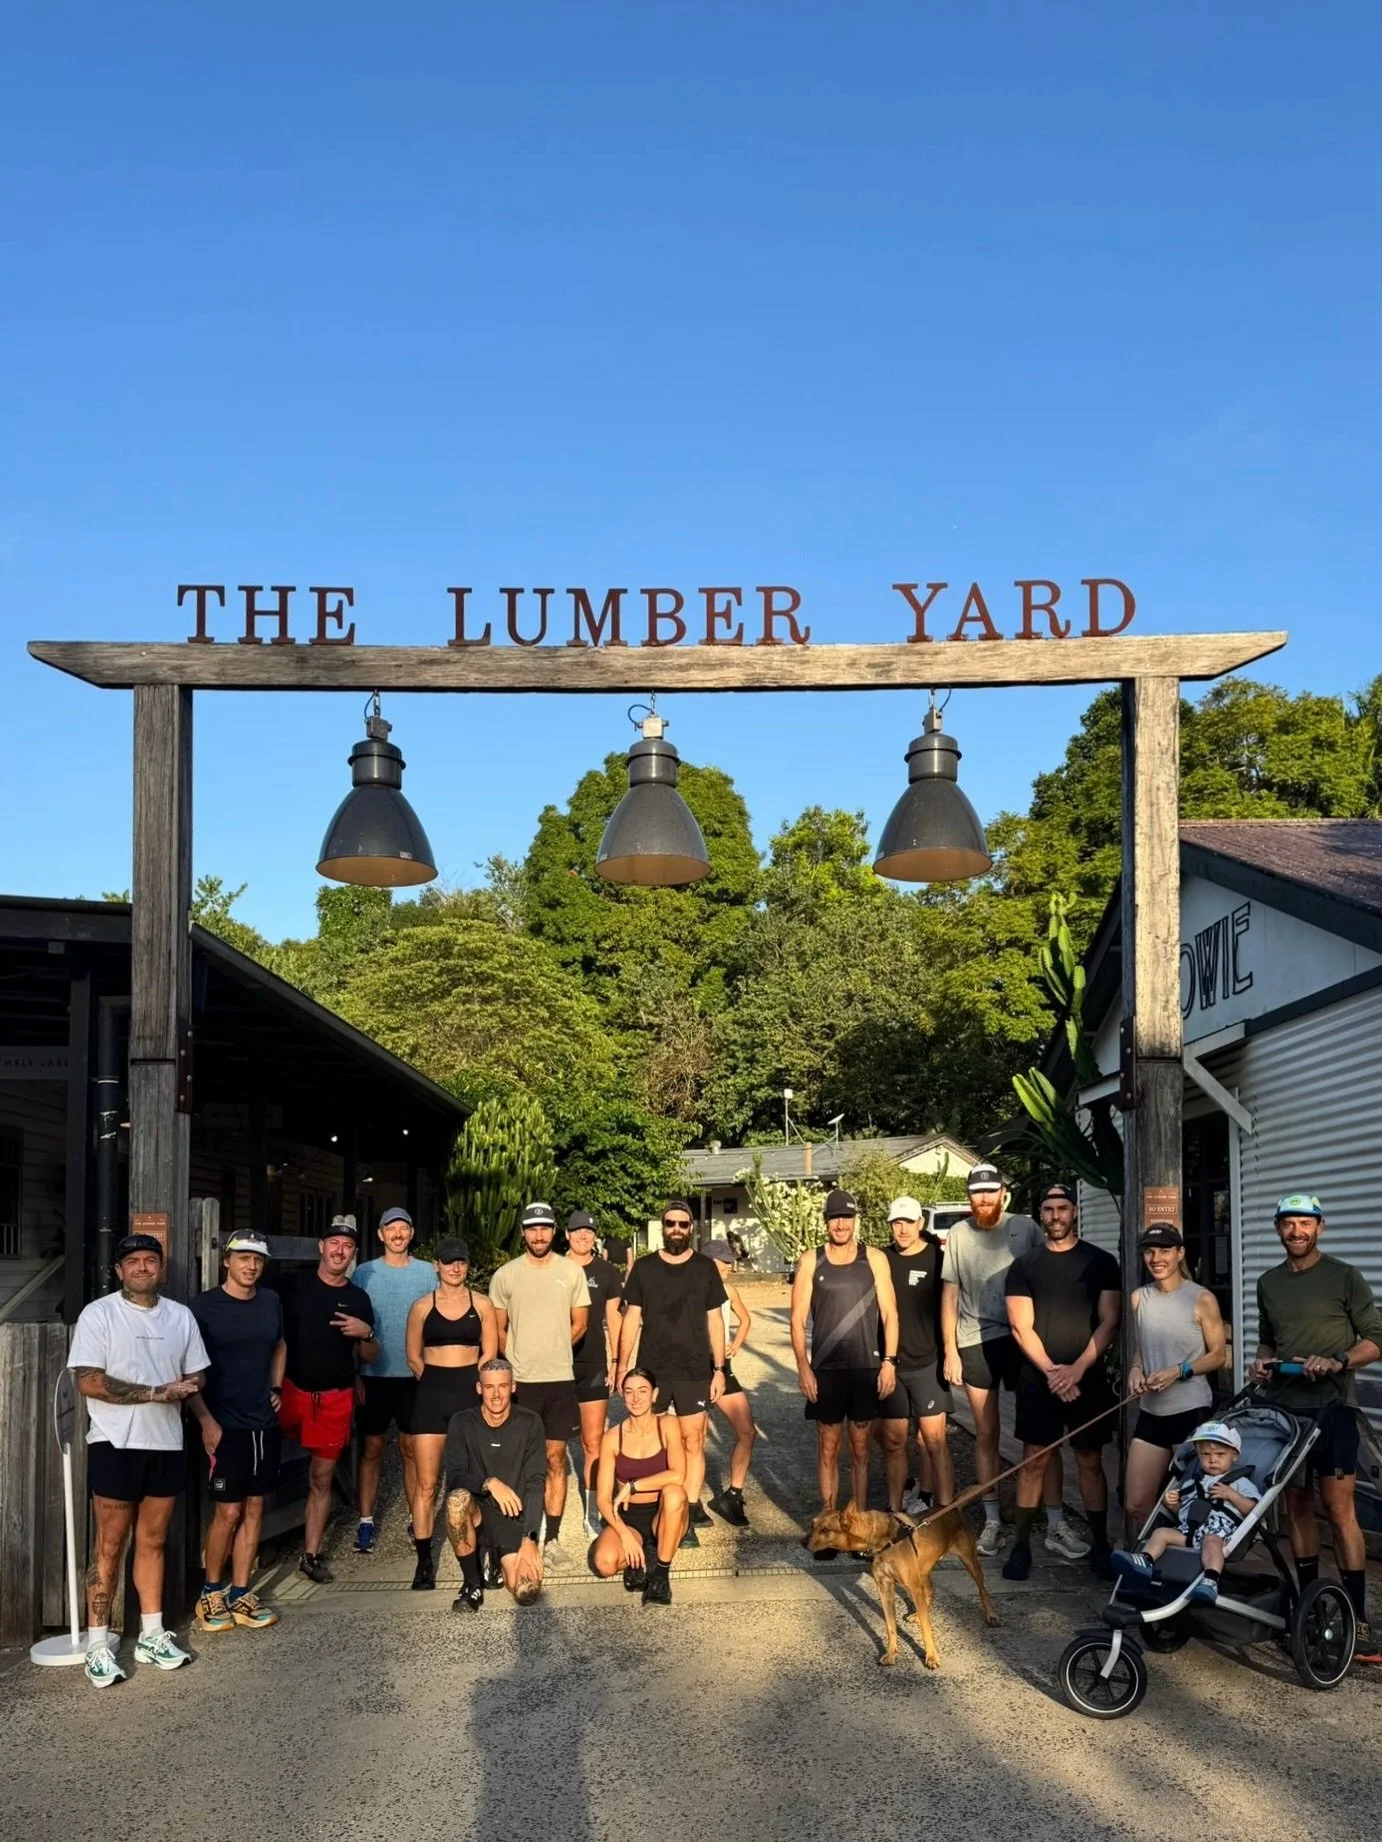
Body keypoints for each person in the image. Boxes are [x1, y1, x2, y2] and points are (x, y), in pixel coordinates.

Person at [68, 1232, 210, 1688]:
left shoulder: (181, 1316)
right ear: (119, 1271)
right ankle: (97, 1643)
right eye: (134, 1262)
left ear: (161, 1269)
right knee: (109, 1546)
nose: (143, 1268)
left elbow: (197, 1372)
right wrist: (154, 1392)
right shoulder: (100, 1314)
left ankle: (151, 1634)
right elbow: (88, 1381)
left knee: (154, 1541)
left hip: (166, 1441)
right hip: (114, 1442)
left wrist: (190, 1387)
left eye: (151, 1260)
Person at [1249, 1192, 1382, 1664]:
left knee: (1339, 1508)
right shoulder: (1268, 1282)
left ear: (1320, 1228)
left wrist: (1338, 1360)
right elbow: (1268, 1339)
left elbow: (1375, 1339)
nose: (1297, 1232)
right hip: (1285, 1413)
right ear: (1279, 1229)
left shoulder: (1344, 1276)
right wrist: (1261, 1365)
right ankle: (1310, 1607)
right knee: (1296, 1505)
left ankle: (1357, 1617)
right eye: (1288, 1224)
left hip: (1334, 1410)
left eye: (1305, 1224)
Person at [1002, 1182, 1121, 1583]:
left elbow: (1109, 1321)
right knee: (1034, 1460)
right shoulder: (1024, 1266)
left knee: (1089, 1460)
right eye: (1049, 1208)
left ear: (1074, 1212)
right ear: (1041, 1214)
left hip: (1087, 1378)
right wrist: (1055, 1371)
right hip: (1040, 1379)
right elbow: (1021, 1327)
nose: (1056, 1215)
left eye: (1063, 1208)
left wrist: (1078, 1369)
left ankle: (1101, 1544)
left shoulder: (1101, 1262)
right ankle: (1021, 1546)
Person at [941, 1161, 1049, 1557]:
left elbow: (1047, 1276)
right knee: (986, 1433)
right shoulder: (957, 1233)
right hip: (975, 1339)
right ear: (968, 1196)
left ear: (1004, 1192)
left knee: (1037, 1432)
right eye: (976, 1192)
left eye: (991, 1191)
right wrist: (950, 1349)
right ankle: (991, 1520)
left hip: (1024, 1339)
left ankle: (1048, 1517)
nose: (984, 1199)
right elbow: (949, 1294)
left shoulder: (1025, 1228)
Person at [188, 1230, 285, 1633]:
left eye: (258, 1259)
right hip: (224, 1423)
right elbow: (188, 1369)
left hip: (263, 1421)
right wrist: (205, 1419)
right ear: (226, 1261)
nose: (251, 1266)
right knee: (227, 1510)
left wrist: (276, 1386)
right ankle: (211, 1592)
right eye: (243, 1257)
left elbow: (280, 1345)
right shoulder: (203, 1307)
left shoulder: (270, 1301)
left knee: (256, 1507)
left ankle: (240, 1591)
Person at [790, 1189, 900, 1542]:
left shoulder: (876, 1259)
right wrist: (804, 1368)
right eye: (834, 1217)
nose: (841, 1224)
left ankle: (860, 1523)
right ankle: (828, 1520)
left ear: (855, 1220)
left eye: (847, 1217)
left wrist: (889, 1363)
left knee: (862, 1447)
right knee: (827, 1446)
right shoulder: (811, 1260)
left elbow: (890, 1314)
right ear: (826, 1222)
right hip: (826, 1369)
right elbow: (796, 1320)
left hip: (866, 1367)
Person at [274, 1215, 378, 1583]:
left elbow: (369, 1356)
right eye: (334, 1242)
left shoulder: (357, 1298)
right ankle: (251, 1545)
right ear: (321, 1246)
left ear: (353, 1254)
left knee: (321, 1477)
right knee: (259, 1467)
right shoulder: (292, 1286)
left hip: (333, 1398)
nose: (339, 1250)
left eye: (347, 1246)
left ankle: (310, 1554)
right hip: (288, 1390)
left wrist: (366, 1333)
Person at [617, 1199, 727, 1546]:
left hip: (695, 1369)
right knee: (656, 1440)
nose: (676, 1229)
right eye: (670, 1223)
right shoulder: (645, 1269)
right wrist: (622, 1366)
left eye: (682, 1223)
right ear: (662, 1227)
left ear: (691, 1227)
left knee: (693, 1441)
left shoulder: (705, 1268)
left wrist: (720, 1368)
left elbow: (715, 1319)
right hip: (654, 1369)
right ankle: (656, 1508)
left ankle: (689, 1511)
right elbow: (631, 1317)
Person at [488, 1201, 590, 1571]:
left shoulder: (571, 1272)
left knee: (555, 1459)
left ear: (553, 1231)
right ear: (523, 1233)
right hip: (522, 1382)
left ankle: (553, 1539)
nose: (539, 1235)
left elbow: (580, 1322)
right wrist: (514, 1360)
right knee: (516, 1462)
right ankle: (517, 1538)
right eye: (532, 1229)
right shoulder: (505, 1276)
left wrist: (557, 1346)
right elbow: (498, 1328)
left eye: (545, 1228)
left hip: (560, 1379)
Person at [404, 1237, 499, 1588]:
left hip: (469, 1392)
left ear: (467, 1266)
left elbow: (490, 1353)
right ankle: (424, 1561)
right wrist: (432, 1381)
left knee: (475, 1479)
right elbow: (413, 1355)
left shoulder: (483, 1304)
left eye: (461, 1262)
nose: (455, 1268)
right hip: (431, 1394)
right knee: (427, 1484)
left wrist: (479, 1388)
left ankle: (485, 1554)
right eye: (448, 1262)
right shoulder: (421, 1307)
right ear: (437, 1266)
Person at [1124, 1222, 1227, 1527]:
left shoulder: (1202, 1298)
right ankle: (1148, 1565)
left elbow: (1219, 1355)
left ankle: (1188, 1567)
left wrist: (1178, 1371)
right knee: (1135, 1504)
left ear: (1180, 1253)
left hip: (1190, 1410)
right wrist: (1135, 1369)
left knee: (1191, 1502)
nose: (1157, 1258)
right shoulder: (1139, 1298)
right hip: (1152, 1411)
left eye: (1165, 1250)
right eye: (1150, 1251)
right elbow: (1142, 1347)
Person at [352, 1205, 436, 1554]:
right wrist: (355, 1372)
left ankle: (417, 1517)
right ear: (380, 1234)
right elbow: (351, 1326)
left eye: (404, 1228)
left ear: (412, 1233)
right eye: (391, 1228)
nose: (398, 1234)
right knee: (371, 1449)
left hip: (414, 1375)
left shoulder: (429, 1272)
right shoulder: (363, 1273)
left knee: (410, 1451)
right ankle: (366, 1521)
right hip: (373, 1376)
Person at [1113, 1420, 1261, 1605]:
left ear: (1234, 1456)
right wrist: (1173, 1504)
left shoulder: (1241, 1483)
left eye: (1220, 1454)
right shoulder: (1192, 1483)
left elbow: (1253, 1509)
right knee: (1161, 1533)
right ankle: (1144, 1560)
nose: (1212, 1459)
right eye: (1205, 1454)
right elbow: (1183, 1513)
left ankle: (1211, 1580)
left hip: (1218, 1532)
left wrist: (1231, 1495)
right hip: (1189, 1532)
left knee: (1211, 1541)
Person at [442, 1357, 547, 1610]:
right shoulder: (462, 1422)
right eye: (489, 1387)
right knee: (456, 1502)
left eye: (502, 1386)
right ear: (479, 1388)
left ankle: (496, 1561)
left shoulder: (530, 1422)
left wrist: (530, 1538)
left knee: (525, 1591)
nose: (496, 1395)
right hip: (477, 1514)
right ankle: (472, 1583)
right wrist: (489, 1482)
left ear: (513, 1387)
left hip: (514, 1518)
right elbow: (454, 1476)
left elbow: (535, 1482)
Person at [878, 1197, 954, 1515]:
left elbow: (953, 1305)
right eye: (897, 1222)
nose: (903, 1229)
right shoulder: (881, 1259)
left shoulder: (939, 1258)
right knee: (894, 1441)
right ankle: (896, 1512)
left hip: (929, 1362)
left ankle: (944, 1510)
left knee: (933, 1440)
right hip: (891, 1363)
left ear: (920, 1223)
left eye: (908, 1222)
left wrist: (952, 1353)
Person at [591, 1367, 689, 1603]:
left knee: (674, 1493)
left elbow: (678, 1474)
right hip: (628, 1517)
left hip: (664, 1514)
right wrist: (624, 1535)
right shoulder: (612, 1438)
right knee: (604, 1564)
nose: (636, 1398)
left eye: (642, 1391)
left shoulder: (668, 1425)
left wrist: (633, 1485)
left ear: (654, 1394)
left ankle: (660, 1575)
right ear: (622, 1397)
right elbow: (603, 1500)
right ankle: (640, 1555)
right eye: (629, 1392)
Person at [564, 1209, 624, 1538]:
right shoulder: (554, 1269)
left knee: (593, 1443)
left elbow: (614, 1319)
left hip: (593, 1365)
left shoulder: (606, 1272)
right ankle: (545, 1516)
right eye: (577, 1231)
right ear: (567, 1235)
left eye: (588, 1232)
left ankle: (593, 1513)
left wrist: (617, 1362)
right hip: (554, 1366)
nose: (583, 1236)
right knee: (551, 1446)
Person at [701, 1238, 759, 1526]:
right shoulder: (693, 1289)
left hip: (723, 1366)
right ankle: (688, 1504)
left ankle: (732, 1494)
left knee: (747, 1432)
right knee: (693, 1439)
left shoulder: (728, 1289)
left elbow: (745, 1319)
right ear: (710, 1263)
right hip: (695, 1368)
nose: (730, 1267)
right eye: (725, 1262)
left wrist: (735, 1344)